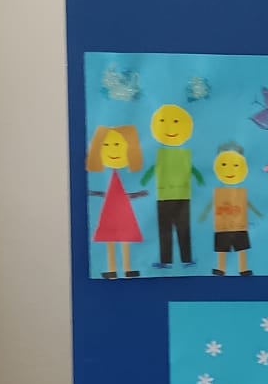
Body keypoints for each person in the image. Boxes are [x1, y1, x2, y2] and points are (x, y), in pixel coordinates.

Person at [142, 103, 203, 269]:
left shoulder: (184, 153)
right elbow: (155, 168)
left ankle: (186, 259)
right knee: (165, 230)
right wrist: (146, 178)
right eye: (163, 121)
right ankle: (166, 260)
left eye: (176, 122)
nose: (170, 127)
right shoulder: (161, 154)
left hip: (182, 196)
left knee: (183, 229)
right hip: (164, 196)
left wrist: (198, 178)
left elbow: (191, 169)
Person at [85, 125, 145, 278]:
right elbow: (106, 193)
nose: (112, 149)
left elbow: (125, 193)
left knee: (125, 237)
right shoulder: (103, 175)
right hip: (109, 210)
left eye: (117, 144)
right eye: (106, 145)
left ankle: (127, 268)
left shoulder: (125, 174)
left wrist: (137, 194)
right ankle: (111, 269)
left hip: (123, 211)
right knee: (110, 237)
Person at [210, 143, 257, 276]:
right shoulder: (218, 192)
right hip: (222, 225)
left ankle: (243, 268)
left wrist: (256, 212)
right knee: (222, 247)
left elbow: (248, 204)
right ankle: (221, 268)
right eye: (224, 164)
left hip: (239, 224)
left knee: (241, 247)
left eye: (236, 165)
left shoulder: (241, 191)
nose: (230, 170)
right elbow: (210, 204)